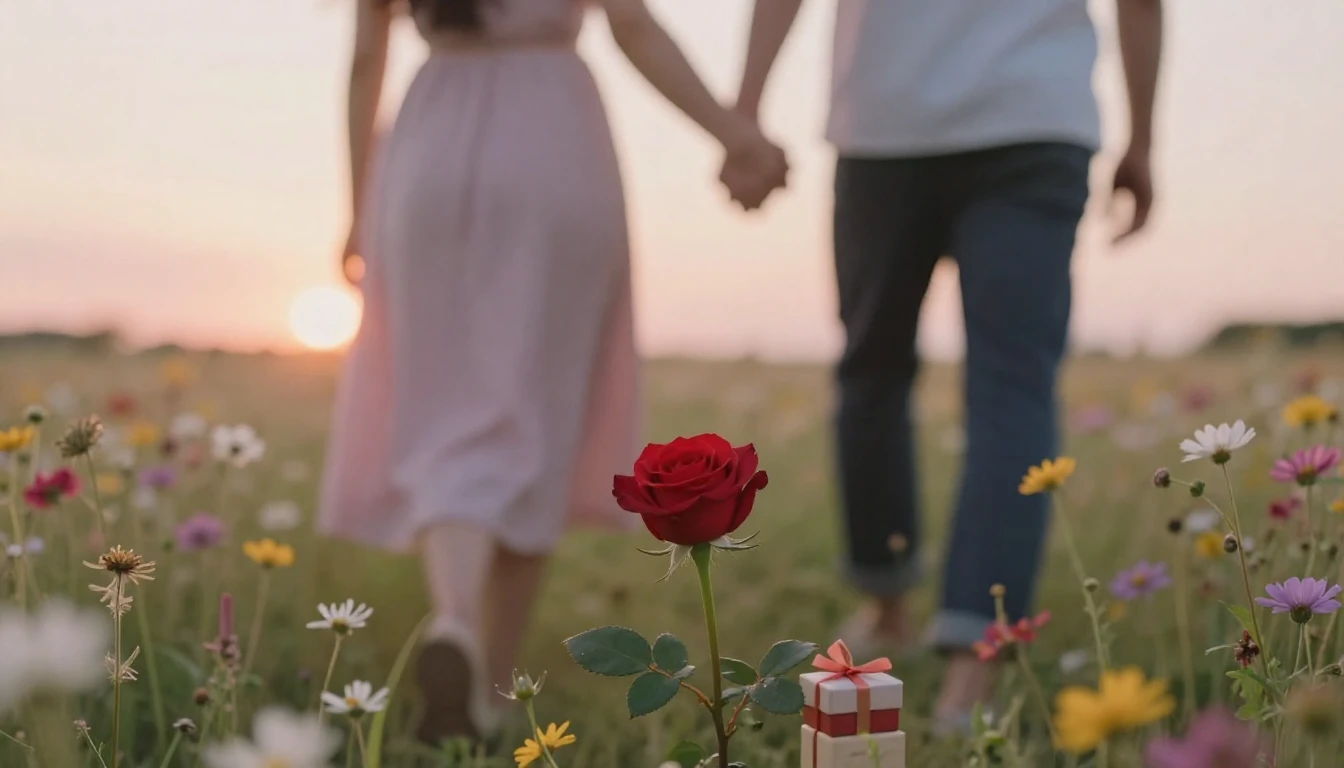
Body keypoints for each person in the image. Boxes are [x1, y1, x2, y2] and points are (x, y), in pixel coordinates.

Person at [319, 0, 788, 743]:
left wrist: (355, 210)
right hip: (552, 144)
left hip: (427, 153)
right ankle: (495, 692)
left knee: (442, 412)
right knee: (539, 411)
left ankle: (457, 623)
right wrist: (736, 134)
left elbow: (364, 62)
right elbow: (632, 25)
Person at [733, 0, 1162, 726]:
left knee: (873, 369)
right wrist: (1143, 140)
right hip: (1030, 112)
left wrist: (744, 110)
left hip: (890, 117)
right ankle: (971, 667)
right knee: (1012, 388)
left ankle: (891, 607)